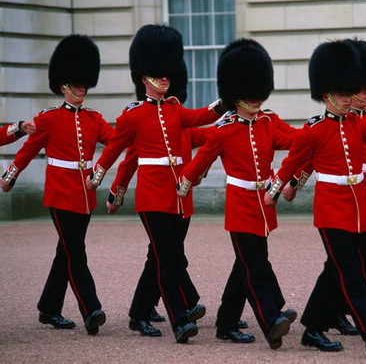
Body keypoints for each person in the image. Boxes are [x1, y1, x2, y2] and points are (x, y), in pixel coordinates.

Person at [264, 39, 366, 356]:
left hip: (358, 206)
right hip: (331, 209)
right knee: (349, 270)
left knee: (342, 268)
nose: (351, 98)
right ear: (327, 93)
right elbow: (295, 162)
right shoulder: (314, 128)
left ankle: (314, 328)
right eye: (345, 93)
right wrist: (277, 190)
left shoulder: (358, 122)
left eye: (351, 93)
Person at [86, 24, 224, 343]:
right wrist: (100, 174)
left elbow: (203, 116)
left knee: (163, 257)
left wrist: (224, 101)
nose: (165, 78)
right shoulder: (133, 115)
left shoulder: (176, 109)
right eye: (158, 74)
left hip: (179, 195)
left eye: (167, 74)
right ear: (144, 76)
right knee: (169, 258)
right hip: (152, 195)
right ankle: (179, 318)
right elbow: (117, 149)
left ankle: (138, 314)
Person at [177, 38, 297, 349]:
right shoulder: (224, 129)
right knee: (254, 265)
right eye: (249, 94)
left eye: (259, 93)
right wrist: (185, 182)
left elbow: (296, 140)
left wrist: (319, 133)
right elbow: (199, 161)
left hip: (264, 205)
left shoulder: (269, 122)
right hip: (241, 205)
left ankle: (227, 323)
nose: (256, 100)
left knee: (247, 264)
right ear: (236, 95)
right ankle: (271, 319)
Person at [1, 35, 111, 335]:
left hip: (85, 195)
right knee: (76, 252)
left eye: (84, 83)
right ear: (64, 84)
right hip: (60, 194)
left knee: (66, 251)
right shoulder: (48, 118)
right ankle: (92, 309)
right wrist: (11, 175)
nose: (82, 88)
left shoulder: (94, 119)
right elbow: (27, 149)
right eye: (77, 83)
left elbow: (115, 141)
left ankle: (49, 308)